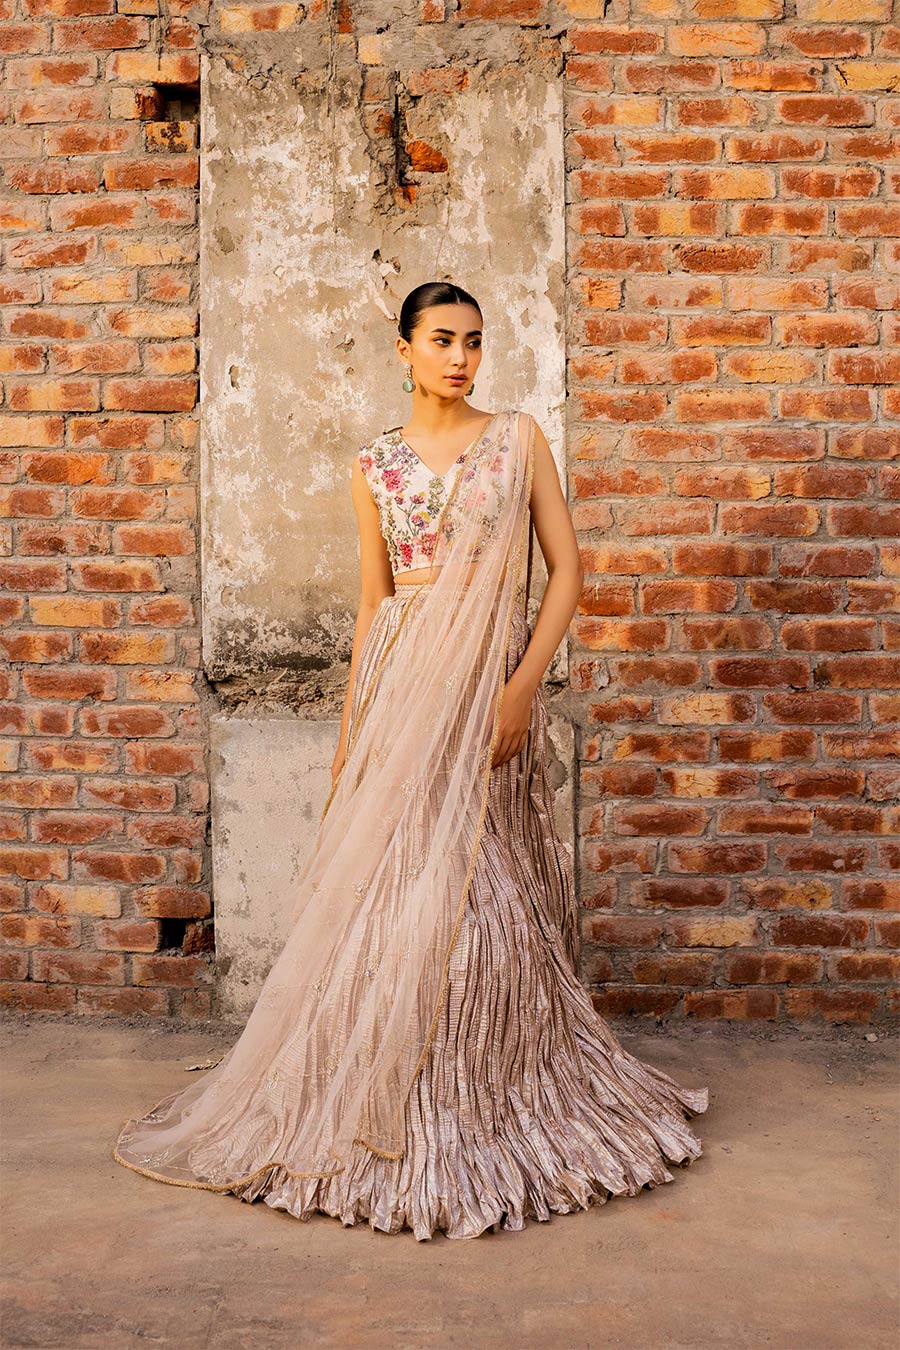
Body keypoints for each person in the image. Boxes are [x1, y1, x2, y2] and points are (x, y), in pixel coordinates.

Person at [113, 281, 709, 1241]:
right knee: (391, 891)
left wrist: (521, 690)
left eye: (474, 342)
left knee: (486, 888)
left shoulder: (517, 441)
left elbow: (569, 572)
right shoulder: (374, 466)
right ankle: (388, 1090)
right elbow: (373, 608)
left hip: (486, 688)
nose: (462, 358)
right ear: (404, 350)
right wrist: (353, 739)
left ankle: (488, 1083)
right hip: (401, 685)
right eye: (442, 340)